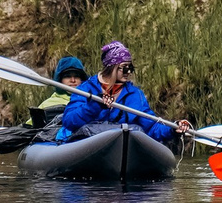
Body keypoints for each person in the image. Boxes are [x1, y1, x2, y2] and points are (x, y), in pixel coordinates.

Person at [53, 41, 191, 142]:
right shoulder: (85, 89)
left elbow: (152, 128)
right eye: (124, 68)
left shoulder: (135, 95)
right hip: (87, 143)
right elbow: (69, 121)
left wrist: (173, 129)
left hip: (120, 144)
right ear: (112, 67)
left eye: (131, 67)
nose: (129, 72)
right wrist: (96, 104)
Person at [31, 56, 90, 131]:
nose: (73, 80)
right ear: (60, 80)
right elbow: (30, 127)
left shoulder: (91, 101)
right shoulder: (47, 104)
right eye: (67, 76)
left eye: (77, 76)